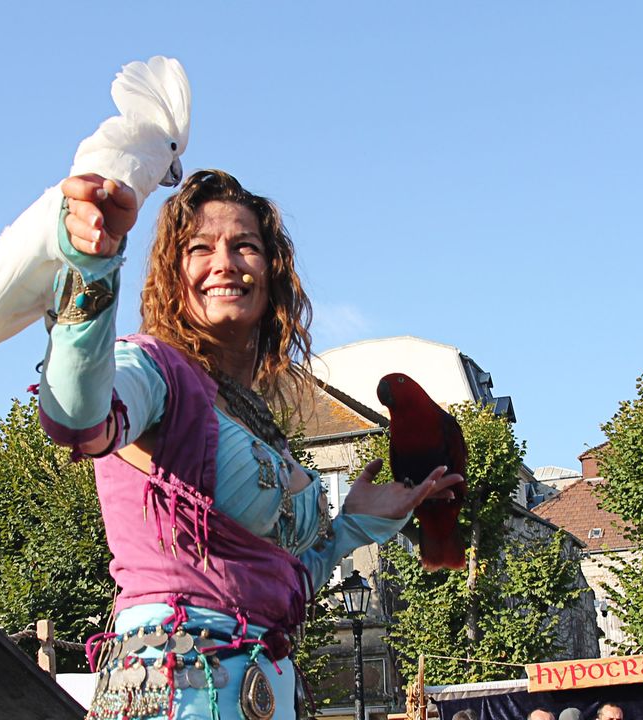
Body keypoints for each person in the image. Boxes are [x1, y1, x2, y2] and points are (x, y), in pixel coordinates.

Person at [39, 169, 465, 720]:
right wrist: (90, 266)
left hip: (273, 693)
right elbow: (79, 417)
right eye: (200, 248)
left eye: (245, 246)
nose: (225, 264)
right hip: (173, 698)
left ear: (272, 271)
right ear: (173, 273)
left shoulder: (260, 418)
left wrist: (354, 524)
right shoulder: (153, 368)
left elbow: (281, 584)